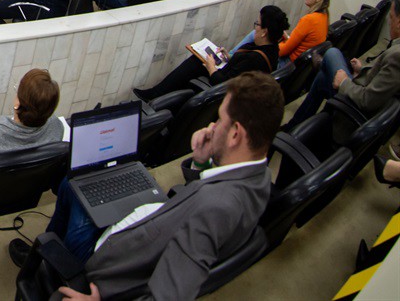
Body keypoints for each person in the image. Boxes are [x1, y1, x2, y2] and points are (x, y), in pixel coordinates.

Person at [19, 73, 281, 300]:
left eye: (220, 119)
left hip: (108, 266)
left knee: (70, 185)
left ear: (236, 134)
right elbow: (202, 206)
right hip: (150, 232)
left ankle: (48, 256)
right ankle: (48, 252)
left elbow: (171, 294)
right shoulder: (259, 178)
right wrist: (201, 164)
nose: (212, 126)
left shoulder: (215, 208)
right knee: (74, 187)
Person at [287, 0, 399, 132]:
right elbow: (385, 81)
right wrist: (363, 70)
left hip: (354, 113)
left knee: (332, 53)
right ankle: (296, 126)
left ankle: (324, 66)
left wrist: (345, 82)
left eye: (391, 17)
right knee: (323, 77)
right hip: (360, 93)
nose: (389, 22)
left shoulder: (396, 56)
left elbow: (367, 101)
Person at [133, 6, 289, 102]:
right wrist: (228, 57)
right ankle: (157, 94)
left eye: (257, 24)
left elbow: (224, 84)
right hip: (228, 73)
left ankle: (156, 95)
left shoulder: (257, 58)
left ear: (264, 32)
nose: (255, 27)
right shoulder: (271, 48)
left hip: (222, 89)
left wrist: (211, 68)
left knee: (195, 62)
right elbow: (241, 69)